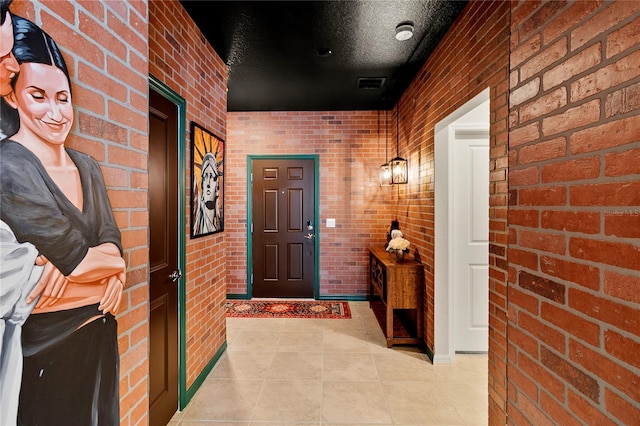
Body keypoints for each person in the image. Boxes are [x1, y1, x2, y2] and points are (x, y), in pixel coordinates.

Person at [0, 15, 125, 425]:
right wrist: (106, 273)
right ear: (12, 96)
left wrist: (113, 269)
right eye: (38, 95)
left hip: (100, 337)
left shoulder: (87, 166)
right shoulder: (8, 166)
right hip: (45, 351)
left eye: (63, 97)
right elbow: (79, 259)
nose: (56, 112)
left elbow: (112, 245)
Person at [193, 150, 223, 234]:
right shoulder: (197, 213)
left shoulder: (220, 220)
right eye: (205, 177)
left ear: (217, 185)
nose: (208, 184)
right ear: (202, 183)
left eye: (212, 177)